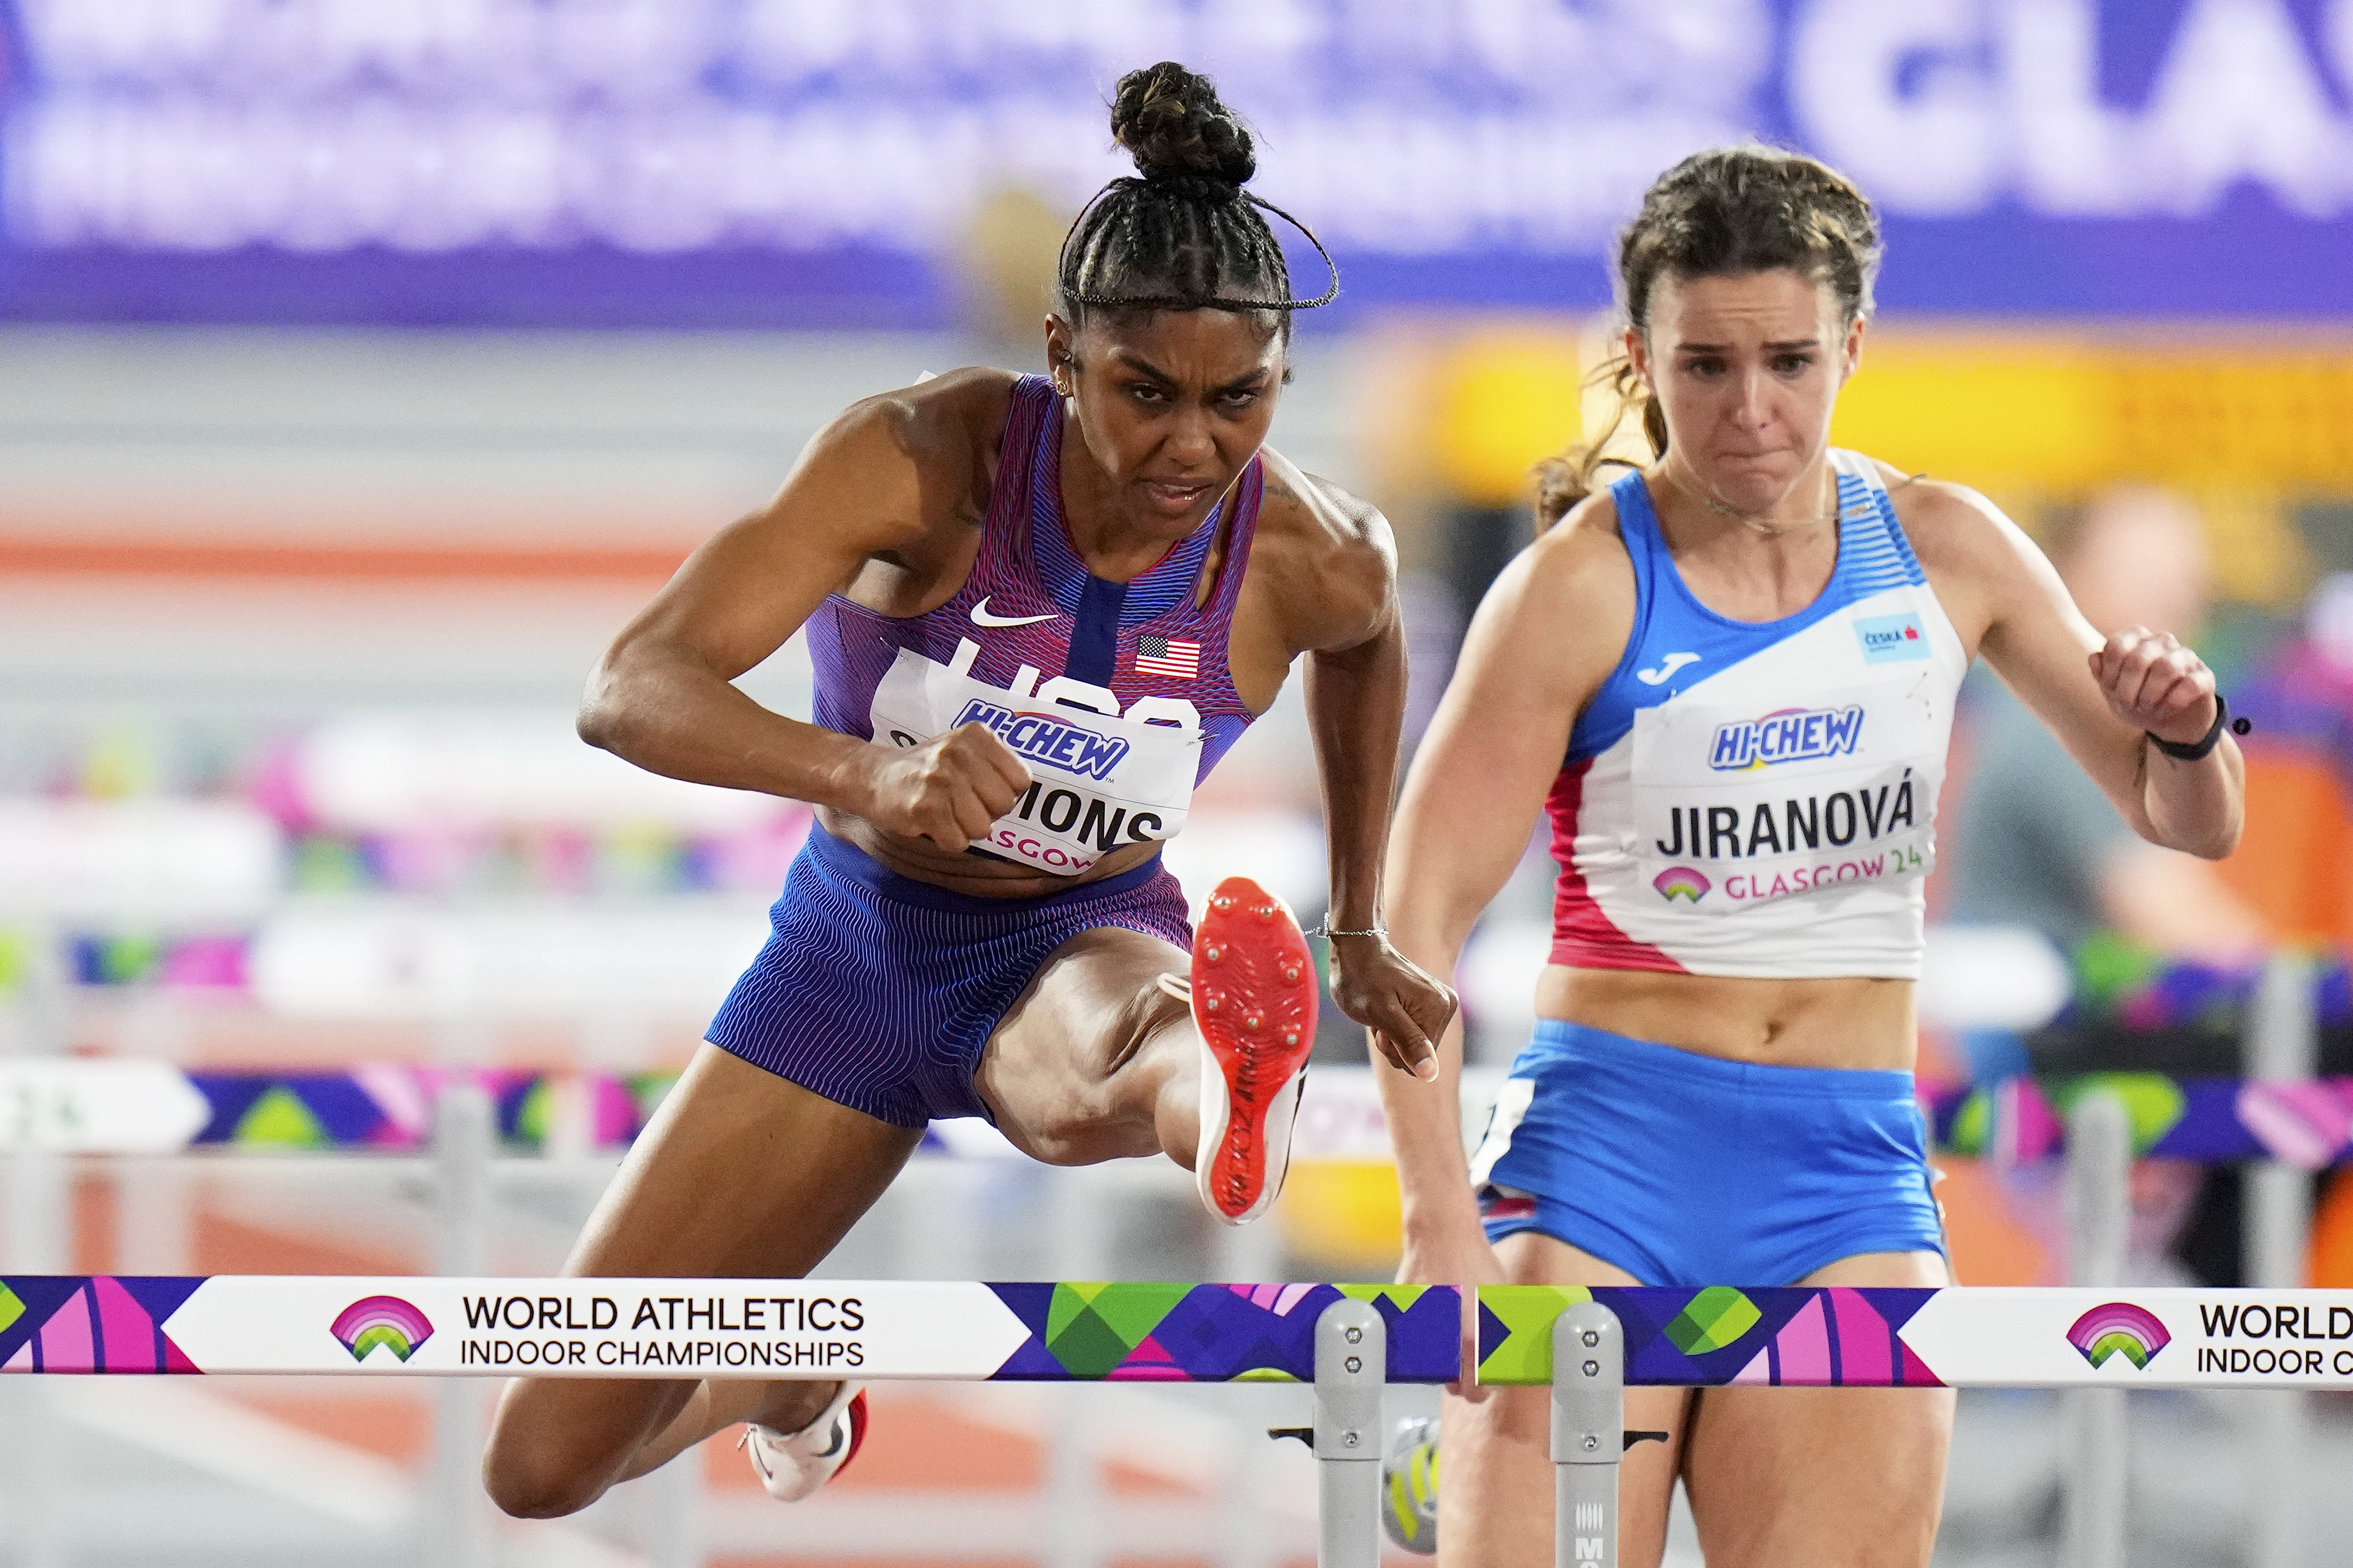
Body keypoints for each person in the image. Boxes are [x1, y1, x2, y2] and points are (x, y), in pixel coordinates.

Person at [481, 61, 1455, 1521]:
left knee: (1124, 1050)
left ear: (1279, 382)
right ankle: (772, 1376)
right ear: (1060, 352)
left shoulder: (1316, 553)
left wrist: (1362, 920)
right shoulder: (919, 460)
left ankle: (1226, 1093)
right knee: (541, 1466)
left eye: (1235, 401)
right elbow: (632, 684)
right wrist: (863, 773)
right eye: (1143, 395)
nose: (1190, 447)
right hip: (850, 951)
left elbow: (1367, 646)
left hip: (1075, 936)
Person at [1373, 146, 2243, 1567]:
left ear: (1852, 342)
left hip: (1840, 1170)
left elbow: (2184, 817)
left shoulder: (1945, 550)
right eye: (1701, 365)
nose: (1748, 409)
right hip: (1603, 1163)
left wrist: (2193, 731)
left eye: (1785, 359)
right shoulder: (1575, 588)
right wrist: (1435, 1220)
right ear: (1639, 357)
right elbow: (1407, 915)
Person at [1947, 485, 2265, 966]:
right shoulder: (2052, 722)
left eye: (2183, 579)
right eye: (2140, 573)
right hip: (2015, 1032)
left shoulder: (2149, 725)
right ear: (2064, 576)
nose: (2169, 597)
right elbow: (2182, 925)